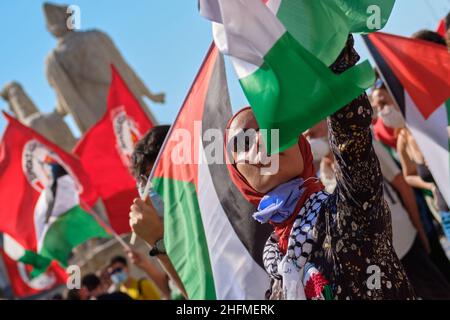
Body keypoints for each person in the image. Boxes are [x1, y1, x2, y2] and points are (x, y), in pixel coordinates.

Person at [224, 35, 415, 300]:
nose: (262, 140)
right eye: (244, 141)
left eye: (274, 128)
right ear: (238, 175)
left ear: (301, 146)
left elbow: (350, 129)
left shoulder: (348, 208)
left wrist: (328, 43)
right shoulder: (275, 267)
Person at [129, 125, 187, 299]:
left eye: (157, 175)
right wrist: (147, 265)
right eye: (144, 181)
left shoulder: (212, 220)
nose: (150, 188)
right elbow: (171, 291)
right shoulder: (171, 231)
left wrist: (158, 243)